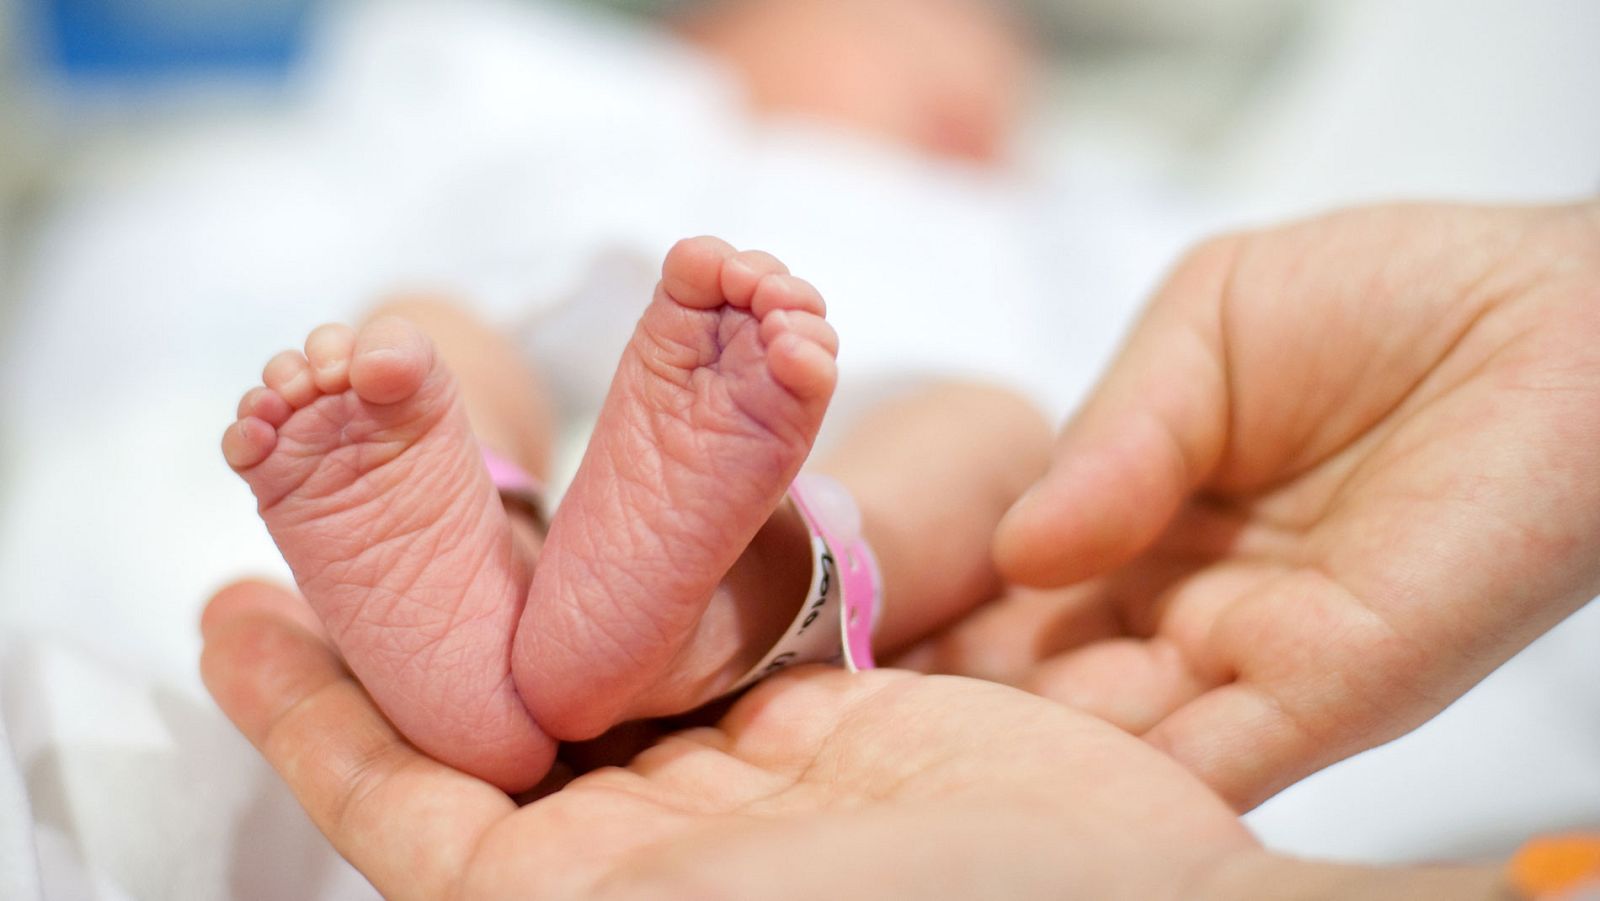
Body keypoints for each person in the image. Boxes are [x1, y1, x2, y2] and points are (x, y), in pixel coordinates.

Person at [205, 199, 1600, 896]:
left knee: (427, 331)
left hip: (674, 426)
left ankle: (556, 570)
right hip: (712, 421)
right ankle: (664, 595)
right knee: (988, 435)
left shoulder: (1017, 194)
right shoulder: (580, 126)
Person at [221, 236, 1051, 792]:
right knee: (418, 328)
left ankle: (595, 597)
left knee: (1000, 421)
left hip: (747, 398)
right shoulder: (636, 107)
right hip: (702, 365)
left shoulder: (1022, 209)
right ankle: (557, 595)